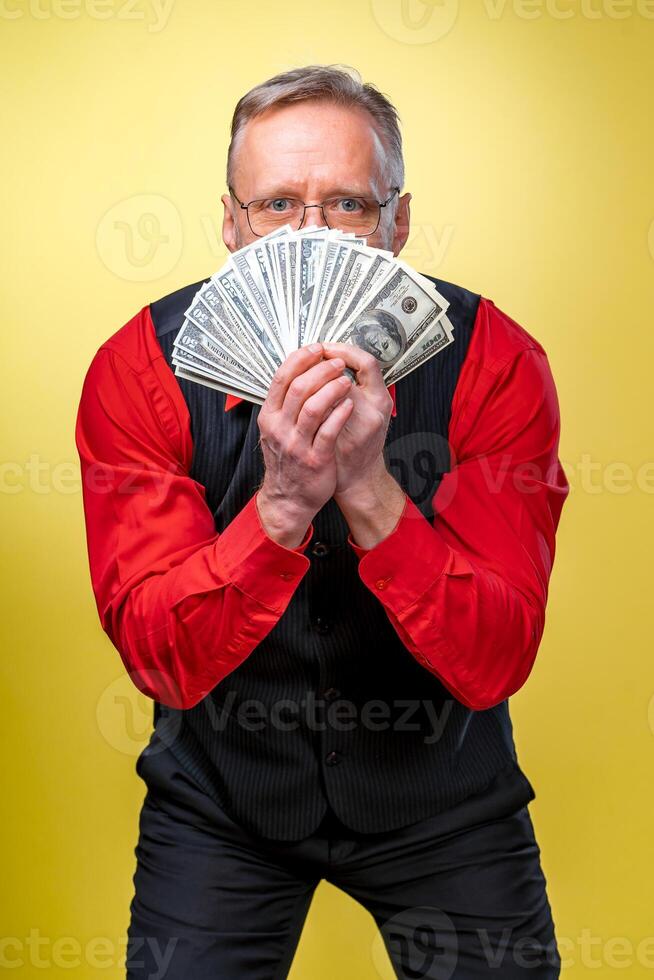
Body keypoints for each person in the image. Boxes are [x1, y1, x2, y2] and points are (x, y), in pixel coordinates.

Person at [75, 64, 569, 979]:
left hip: (444, 802)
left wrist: (372, 492)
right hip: (224, 805)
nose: (310, 236)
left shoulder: (495, 360)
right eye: (275, 207)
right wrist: (284, 506)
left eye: (347, 204)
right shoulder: (137, 370)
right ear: (231, 224)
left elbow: (497, 656)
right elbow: (160, 657)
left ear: (399, 222)